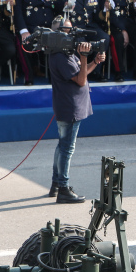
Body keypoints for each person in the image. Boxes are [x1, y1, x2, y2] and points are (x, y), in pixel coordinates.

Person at [47, 16, 105, 203]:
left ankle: (56, 184)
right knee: (67, 148)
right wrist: (83, 56)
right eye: (68, 31)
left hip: (69, 105)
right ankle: (63, 187)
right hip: (70, 107)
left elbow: (81, 74)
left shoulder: (64, 52)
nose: (72, 34)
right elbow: (81, 81)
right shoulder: (60, 56)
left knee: (62, 145)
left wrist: (94, 61)